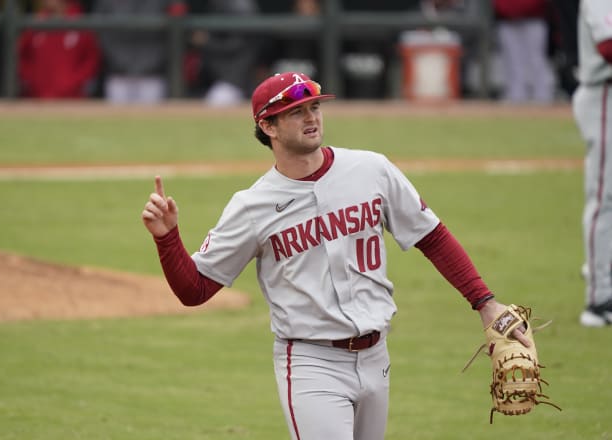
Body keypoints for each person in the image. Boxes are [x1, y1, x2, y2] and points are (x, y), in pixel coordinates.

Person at [141, 71, 530, 439]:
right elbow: (195, 290)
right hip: (312, 364)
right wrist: (167, 238)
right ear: (267, 126)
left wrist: (485, 303)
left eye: (314, 107)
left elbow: (433, 236)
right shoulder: (252, 206)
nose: (310, 118)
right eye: (294, 112)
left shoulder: (371, 169)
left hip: (377, 356)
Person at [572, 0, 612, 327]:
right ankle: (599, 301)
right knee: (604, 198)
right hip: (604, 96)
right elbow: (608, 45)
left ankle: (602, 268)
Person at [92, 0, 187, 104]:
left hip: (153, 74)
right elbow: (99, 31)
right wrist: (115, 59)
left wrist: (157, 59)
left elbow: (176, 27)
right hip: (117, 73)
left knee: (151, 118)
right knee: (117, 117)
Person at [18, 0, 100, 99]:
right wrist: (32, 80)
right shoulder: (37, 21)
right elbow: (20, 55)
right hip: (37, 98)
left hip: (72, 99)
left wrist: (72, 83)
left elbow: (91, 60)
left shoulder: (80, 21)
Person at [494, 0, 556, 103]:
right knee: (512, 63)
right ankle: (515, 97)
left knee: (536, 61)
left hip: (534, 17)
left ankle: (543, 98)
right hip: (507, 18)